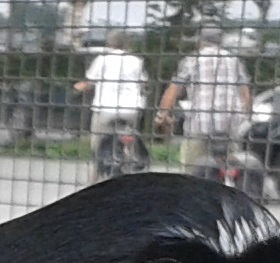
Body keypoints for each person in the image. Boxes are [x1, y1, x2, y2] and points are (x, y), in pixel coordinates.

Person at [155, 26, 251, 173]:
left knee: (190, 170)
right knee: (232, 166)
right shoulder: (234, 60)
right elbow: (245, 94)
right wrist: (246, 117)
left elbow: (173, 90)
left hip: (200, 124)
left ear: (201, 41)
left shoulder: (193, 60)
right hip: (230, 126)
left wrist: (164, 114)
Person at [74, 30, 148, 164]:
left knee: (97, 147)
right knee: (129, 137)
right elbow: (142, 85)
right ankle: (129, 156)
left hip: (105, 109)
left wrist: (77, 87)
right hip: (131, 109)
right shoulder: (136, 61)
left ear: (109, 44)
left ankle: (95, 177)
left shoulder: (102, 59)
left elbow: (89, 82)